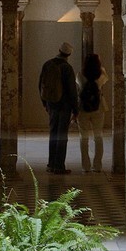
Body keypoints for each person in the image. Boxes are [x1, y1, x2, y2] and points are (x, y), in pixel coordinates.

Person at [37, 41, 78, 173]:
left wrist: (45, 103)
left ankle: (51, 164)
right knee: (62, 136)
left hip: (52, 104)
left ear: (58, 50)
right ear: (69, 54)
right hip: (64, 106)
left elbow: (41, 84)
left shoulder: (48, 64)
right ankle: (59, 166)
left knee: (53, 133)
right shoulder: (67, 68)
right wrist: (75, 109)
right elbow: (72, 90)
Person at [77, 52, 109, 174]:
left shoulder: (80, 74)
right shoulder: (101, 74)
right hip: (99, 107)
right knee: (98, 136)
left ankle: (85, 166)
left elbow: (79, 86)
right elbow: (105, 80)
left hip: (83, 108)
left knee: (83, 138)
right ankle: (97, 166)